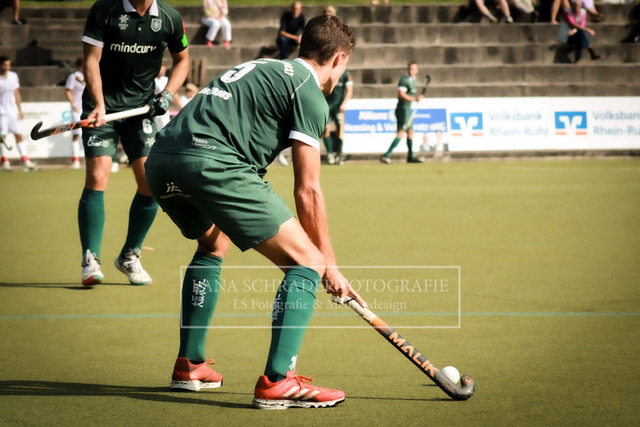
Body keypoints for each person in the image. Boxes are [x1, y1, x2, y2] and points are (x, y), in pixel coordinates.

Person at [145, 13, 366, 409]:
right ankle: (278, 381)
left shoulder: (264, 67)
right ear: (340, 58)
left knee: (213, 244)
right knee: (307, 263)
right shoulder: (309, 92)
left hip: (161, 160)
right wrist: (328, 263)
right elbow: (308, 190)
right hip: (213, 163)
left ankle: (190, 364)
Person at [78, 0, 189, 287]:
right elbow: (90, 60)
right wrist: (99, 103)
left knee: (150, 182)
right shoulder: (105, 10)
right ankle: (90, 260)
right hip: (101, 108)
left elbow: (182, 60)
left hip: (141, 110)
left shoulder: (169, 18)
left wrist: (167, 93)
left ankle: (129, 255)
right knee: (98, 175)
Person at [380, 61, 425, 164]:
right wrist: (414, 99)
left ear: (417, 70)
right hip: (402, 109)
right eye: (410, 69)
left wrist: (417, 98)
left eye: (413, 69)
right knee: (401, 132)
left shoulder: (414, 80)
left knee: (410, 132)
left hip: (407, 109)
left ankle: (410, 156)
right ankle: (386, 155)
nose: (411, 71)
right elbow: (401, 94)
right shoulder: (404, 80)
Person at [0, 56, 38, 172]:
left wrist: (20, 110)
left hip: (13, 112)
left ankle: (25, 160)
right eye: (5, 65)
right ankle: (5, 161)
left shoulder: (13, 76)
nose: (7, 67)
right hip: (1, 113)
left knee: (18, 135)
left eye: (8, 65)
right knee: (2, 137)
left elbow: (16, 93)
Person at [323, 69, 352, 165]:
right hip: (328, 106)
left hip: (339, 107)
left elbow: (349, 90)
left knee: (339, 131)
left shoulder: (345, 73)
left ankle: (339, 155)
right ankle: (330, 154)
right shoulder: (328, 71)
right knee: (325, 129)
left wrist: (344, 104)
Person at [65, 58, 85, 170]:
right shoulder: (73, 77)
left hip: (88, 109)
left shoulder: (88, 75)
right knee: (76, 134)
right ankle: (75, 160)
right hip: (77, 110)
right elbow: (67, 91)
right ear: (80, 66)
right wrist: (73, 104)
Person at [153, 65, 171, 130]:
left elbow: (172, 94)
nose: (162, 72)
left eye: (164, 70)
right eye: (161, 70)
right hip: (153, 107)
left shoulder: (167, 80)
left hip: (163, 106)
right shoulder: (153, 80)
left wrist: (180, 106)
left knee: (165, 126)